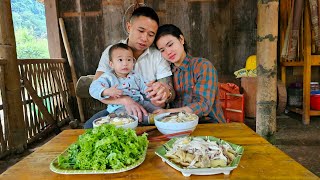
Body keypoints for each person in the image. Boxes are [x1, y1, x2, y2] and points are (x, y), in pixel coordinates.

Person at [84, 6, 175, 128]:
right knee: (89, 127)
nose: (144, 38)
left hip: (147, 109)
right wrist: (125, 100)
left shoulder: (157, 56)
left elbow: (170, 92)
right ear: (129, 27)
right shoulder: (112, 52)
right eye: (141, 31)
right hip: (117, 108)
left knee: (163, 120)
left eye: (151, 34)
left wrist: (164, 94)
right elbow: (95, 89)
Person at [153, 24, 226, 123]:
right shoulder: (166, 72)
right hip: (178, 127)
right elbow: (165, 99)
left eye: (170, 45)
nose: (168, 52)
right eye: (162, 50)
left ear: (181, 39)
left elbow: (203, 106)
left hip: (208, 125)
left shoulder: (203, 66)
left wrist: (168, 112)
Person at [89, 43, 161, 124]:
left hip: (139, 101)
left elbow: (145, 87)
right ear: (111, 64)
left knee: (154, 107)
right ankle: (151, 119)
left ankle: (163, 115)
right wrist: (106, 91)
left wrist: (152, 90)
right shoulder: (108, 77)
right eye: (120, 60)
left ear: (133, 62)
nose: (125, 63)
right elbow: (93, 88)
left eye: (129, 60)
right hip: (119, 107)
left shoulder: (135, 76)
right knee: (129, 117)